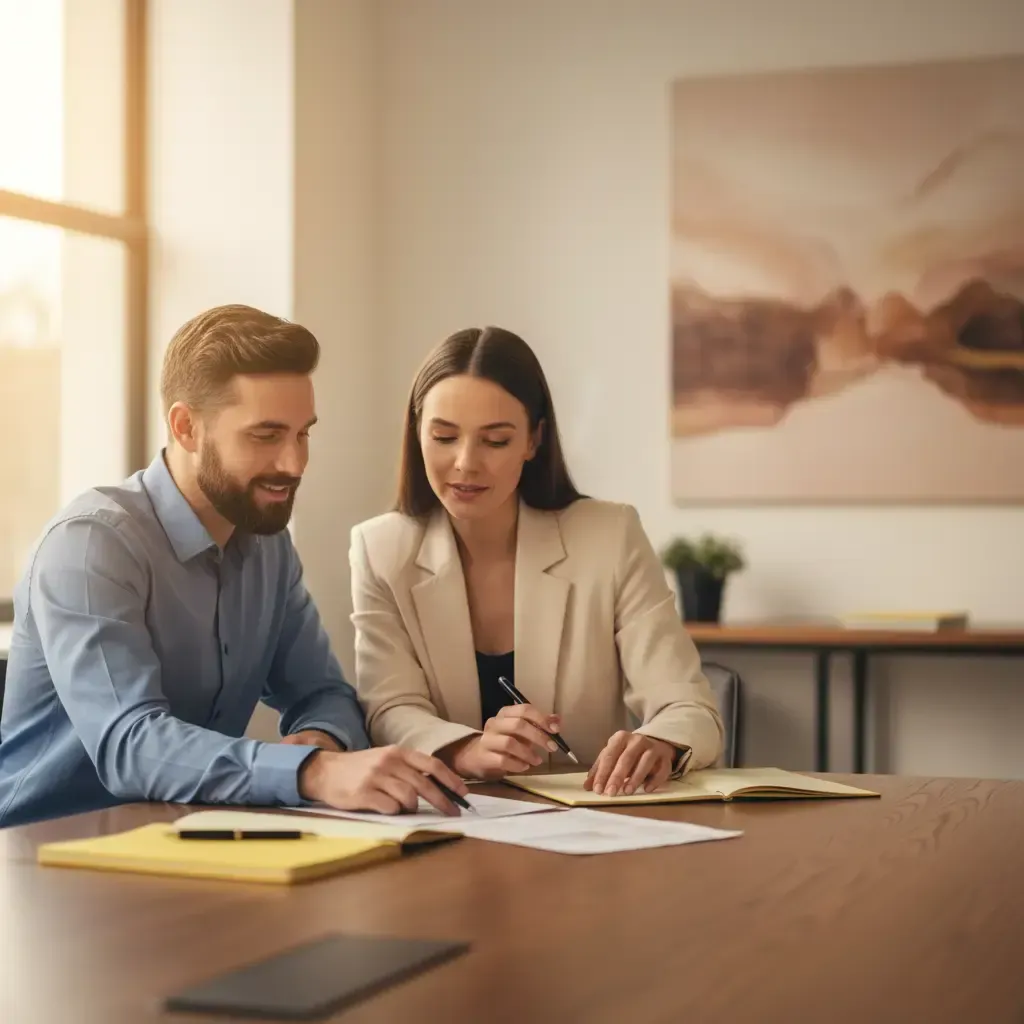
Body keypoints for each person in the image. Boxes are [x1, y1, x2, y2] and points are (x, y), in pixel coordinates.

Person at [0, 304, 466, 828]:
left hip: (181, 846)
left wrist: (322, 741)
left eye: (303, 433)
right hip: (37, 860)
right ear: (186, 427)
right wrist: (311, 772)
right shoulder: (91, 544)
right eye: (266, 436)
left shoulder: (268, 547)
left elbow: (323, 693)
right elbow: (129, 745)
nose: (294, 464)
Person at [349, 326, 723, 798]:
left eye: (496, 441)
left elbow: (690, 707)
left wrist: (660, 741)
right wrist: (465, 749)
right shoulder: (379, 549)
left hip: (589, 825)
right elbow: (388, 708)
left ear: (533, 440)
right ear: (416, 432)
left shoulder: (609, 536)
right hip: (448, 819)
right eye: (443, 436)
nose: (465, 463)